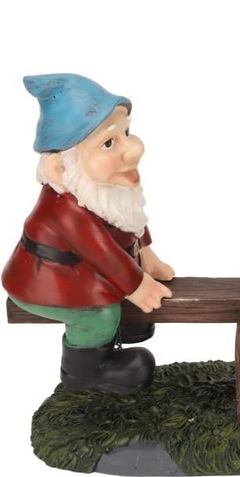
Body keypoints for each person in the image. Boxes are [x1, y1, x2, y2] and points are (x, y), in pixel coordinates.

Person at [2, 73, 175, 394]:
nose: (133, 150)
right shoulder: (64, 208)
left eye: (126, 133)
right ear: (60, 167)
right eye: (109, 143)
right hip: (47, 279)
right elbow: (102, 253)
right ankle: (86, 371)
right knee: (96, 314)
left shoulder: (100, 192)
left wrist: (146, 255)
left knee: (113, 294)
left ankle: (123, 327)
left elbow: (129, 219)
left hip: (83, 271)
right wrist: (137, 285)